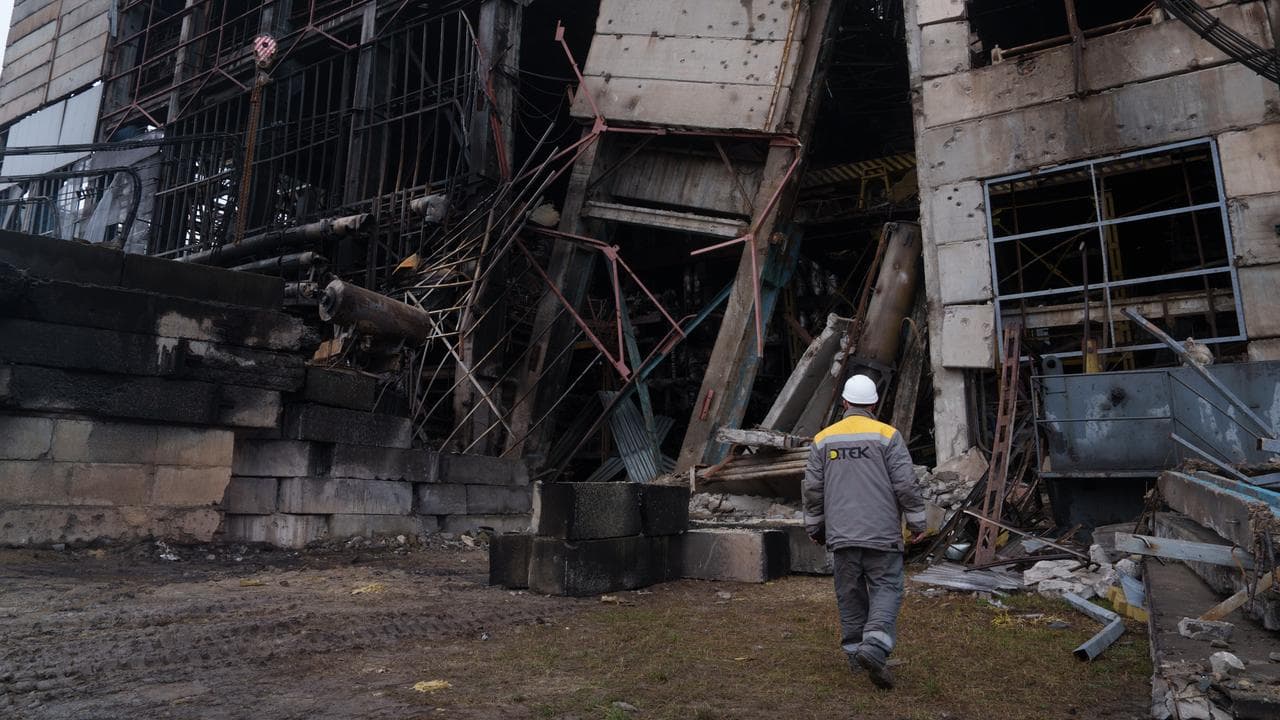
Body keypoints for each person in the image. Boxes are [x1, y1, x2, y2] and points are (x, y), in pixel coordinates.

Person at [802, 373, 926, 689]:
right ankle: (874, 646)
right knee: (886, 587)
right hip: (882, 534)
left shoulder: (823, 439)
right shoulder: (887, 435)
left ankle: (857, 654)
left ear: (844, 402)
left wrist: (815, 526)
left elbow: (813, 490)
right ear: (873, 404)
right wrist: (917, 522)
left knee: (850, 593)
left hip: (842, 536)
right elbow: (905, 484)